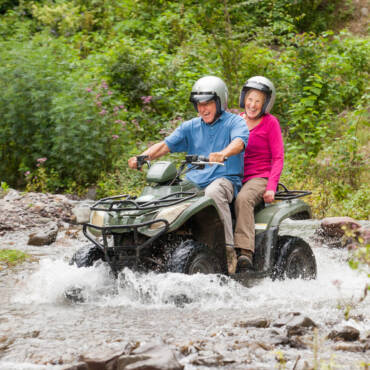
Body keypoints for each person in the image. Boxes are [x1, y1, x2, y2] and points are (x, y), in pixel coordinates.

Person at [128, 76, 249, 272]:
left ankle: (228, 251)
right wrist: (142, 156)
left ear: (220, 101)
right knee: (164, 194)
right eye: (198, 104)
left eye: (208, 103)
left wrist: (224, 153)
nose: (202, 109)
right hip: (193, 183)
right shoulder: (190, 126)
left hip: (225, 180)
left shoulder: (235, 122)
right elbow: (165, 145)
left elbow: (239, 142)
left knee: (213, 192)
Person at [234, 76, 284, 269]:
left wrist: (271, 187)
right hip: (236, 176)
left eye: (258, 101)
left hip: (259, 177)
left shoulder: (271, 123)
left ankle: (245, 252)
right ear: (243, 99)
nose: (252, 105)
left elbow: (278, 158)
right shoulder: (237, 121)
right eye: (250, 99)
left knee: (243, 199)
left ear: (265, 104)